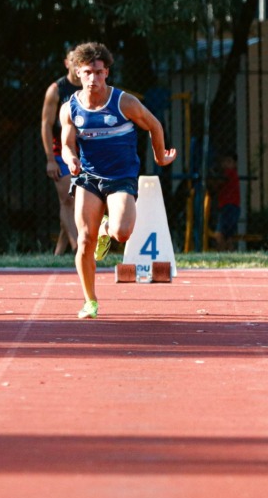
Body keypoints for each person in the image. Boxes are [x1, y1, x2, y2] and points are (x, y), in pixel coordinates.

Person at [60, 42, 176, 319]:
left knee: (122, 233)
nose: (93, 79)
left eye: (98, 73)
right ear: (78, 72)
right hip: (89, 177)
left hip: (121, 177)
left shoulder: (124, 102)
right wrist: (70, 159)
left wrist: (160, 156)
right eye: (87, 72)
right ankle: (90, 301)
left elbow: (154, 125)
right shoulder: (70, 108)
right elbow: (66, 143)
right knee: (85, 241)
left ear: (107, 72)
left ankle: (107, 227)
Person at [40, 49, 81, 255]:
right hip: (61, 150)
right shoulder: (56, 90)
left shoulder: (89, 87)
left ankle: (58, 254)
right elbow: (46, 125)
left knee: (76, 202)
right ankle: (78, 247)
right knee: (67, 199)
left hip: (83, 152)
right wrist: (50, 160)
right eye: (74, 61)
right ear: (67, 63)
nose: (78, 65)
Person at [208, 152, 241, 251]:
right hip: (232, 207)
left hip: (228, 207)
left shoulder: (229, 173)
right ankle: (229, 251)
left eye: (229, 162)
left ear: (234, 164)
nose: (226, 164)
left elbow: (217, 184)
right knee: (229, 234)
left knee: (220, 233)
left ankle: (221, 251)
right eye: (225, 161)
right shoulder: (230, 173)